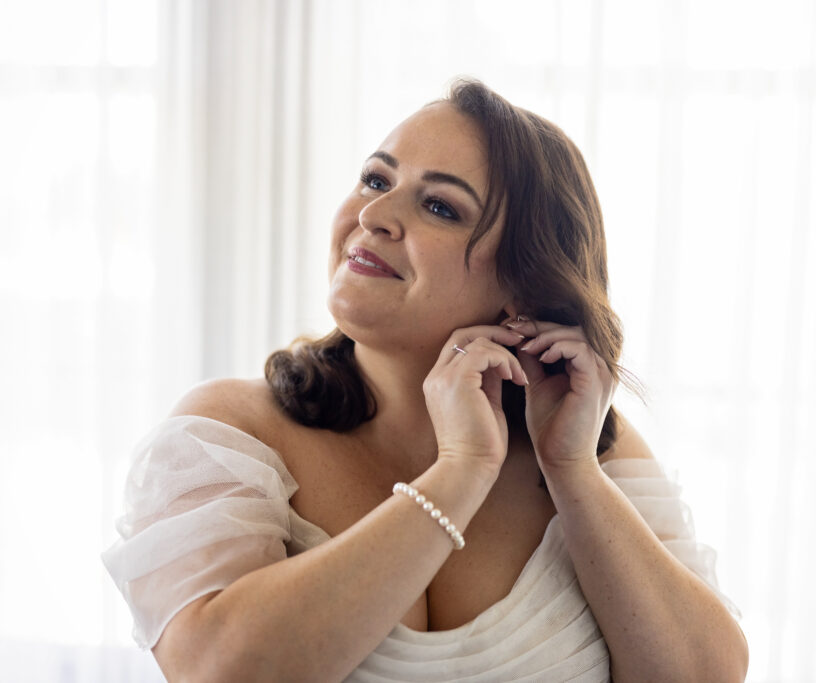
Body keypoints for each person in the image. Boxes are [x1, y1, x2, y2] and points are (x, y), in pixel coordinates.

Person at [102, 78, 748, 682]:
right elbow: (218, 666)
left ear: (525, 284)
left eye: (439, 205)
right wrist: (461, 469)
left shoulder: (587, 448)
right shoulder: (233, 427)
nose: (374, 213)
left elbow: (704, 673)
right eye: (374, 178)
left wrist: (573, 470)